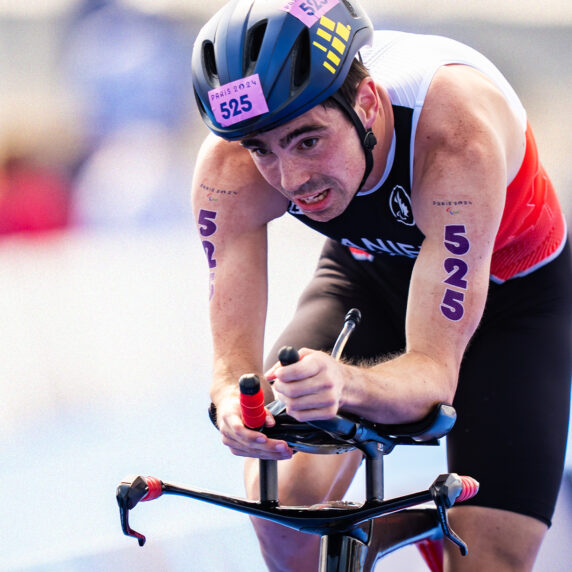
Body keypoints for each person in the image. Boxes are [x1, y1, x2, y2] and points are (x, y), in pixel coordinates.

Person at [190, 1, 572, 570]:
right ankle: (386, 526)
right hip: (366, 277)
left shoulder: (455, 133)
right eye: (261, 149)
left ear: (367, 102)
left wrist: (343, 384)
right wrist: (233, 407)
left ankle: (438, 529)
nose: (291, 180)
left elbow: (433, 375)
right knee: (284, 509)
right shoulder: (229, 164)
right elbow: (231, 374)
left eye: (308, 141)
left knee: (487, 560)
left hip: (513, 301)